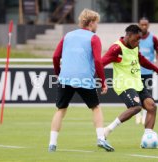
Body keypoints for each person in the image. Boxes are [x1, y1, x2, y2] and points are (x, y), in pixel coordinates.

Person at [48, 9, 114, 152]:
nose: (97, 26)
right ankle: (101, 138)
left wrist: (59, 73)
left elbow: (55, 56)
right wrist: (103, 81)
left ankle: (52, 144)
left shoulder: (67, 36)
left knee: (60, 110)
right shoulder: (93, 38)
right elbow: (97, 60)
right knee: (95, 107)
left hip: (65, 78)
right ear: (91, 23)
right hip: (84, 78)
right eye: (96, 23)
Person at [102, 25, 158, 142]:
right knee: (136, 107)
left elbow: (141, 60)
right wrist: (102, 80)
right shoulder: (116, 48)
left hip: (136, 83)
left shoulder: (135, 45)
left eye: (139, 39)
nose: (138, 42)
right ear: (128, 36)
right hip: (124, 84)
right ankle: (108, 129)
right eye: (136, 39)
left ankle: (147, 138)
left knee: (152, 106)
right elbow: (101, 63)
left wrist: (155, 68)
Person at [135, 17, 158, 125]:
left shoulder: (153, 38)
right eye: (142, 25)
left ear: (148, 25)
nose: (144, 27)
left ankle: (145, 115)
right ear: (139, 25)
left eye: (146, 25)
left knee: (148, 95)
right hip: (135, 71)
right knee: (136, 94)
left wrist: (156, 65)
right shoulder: (135, 37)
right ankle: (137, 114)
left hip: (148, 72)